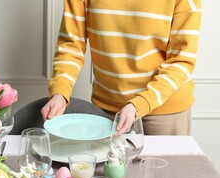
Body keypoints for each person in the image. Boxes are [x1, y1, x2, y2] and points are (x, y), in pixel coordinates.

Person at [41, 0, 202, 135]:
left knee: (165, 173)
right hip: (107, 109)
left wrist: (139, 104)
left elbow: (181, 60)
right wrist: (60, 93)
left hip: (165, 111)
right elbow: (71, 46)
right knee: (106, 173)